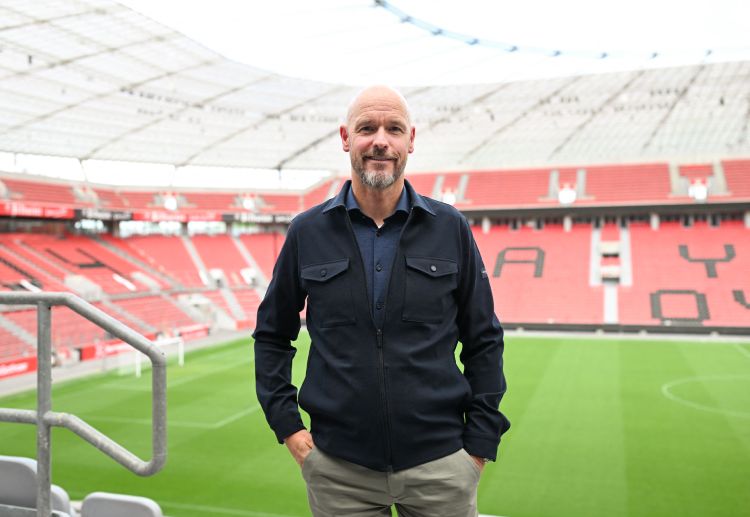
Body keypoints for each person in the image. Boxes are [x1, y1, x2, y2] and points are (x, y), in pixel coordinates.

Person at [253, 85, 510, 516]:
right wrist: (288, 428)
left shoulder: (450, 227)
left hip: (442, 467)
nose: (380, 141)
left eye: (393, 129)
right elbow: (272, 335)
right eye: (366, 128)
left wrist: (479, 446)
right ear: (345, 138)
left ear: (411, 139)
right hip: (338, 470)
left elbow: (484, 338)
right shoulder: (307, 231)